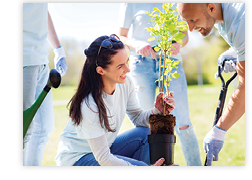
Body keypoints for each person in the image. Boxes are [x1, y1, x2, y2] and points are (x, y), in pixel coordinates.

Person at [55, 34, 175, 166]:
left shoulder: (125, 83)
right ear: (101, 70)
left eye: (127, 61)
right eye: (120, 66)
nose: (128, 69)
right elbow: (104, 159)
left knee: (145, 133)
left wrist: (157, 110)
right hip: (77, 160)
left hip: (103, 152)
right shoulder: (89, 104)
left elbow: (137, 118)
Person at [117, 3, 202, 166]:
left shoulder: (178, 4)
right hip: (141, 64)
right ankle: (149, 170)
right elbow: (121, 36)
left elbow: (184, 34)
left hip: (171, 63)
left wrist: (178, 43)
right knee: (146, 125)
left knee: (183, 123)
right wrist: (137, 45)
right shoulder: (129, 4)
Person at [177, 3, 245, 165]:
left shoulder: (241, 22)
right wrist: (235, 51)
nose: (191, 28)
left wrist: (219, 131)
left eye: (194, 20)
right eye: (186, 21)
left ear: (211, 8)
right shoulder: (221, 19)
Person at [23, 3, 68, 166]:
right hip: (23, 58)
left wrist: (58, 49)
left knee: (43, 129)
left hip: (41, 60)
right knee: (22, 131)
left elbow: (42, 11)